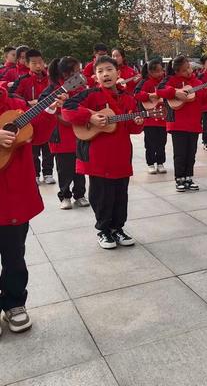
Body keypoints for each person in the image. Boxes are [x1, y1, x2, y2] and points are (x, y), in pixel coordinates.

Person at [62, 56, 144, 249]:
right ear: (95, 76)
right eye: (100, 71)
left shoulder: (128, 98)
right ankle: (103, 230)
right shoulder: (90, 94)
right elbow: (67, 109)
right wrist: (90, 116)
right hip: (97, 156)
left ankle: (117, 228)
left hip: (122, 155)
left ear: (119, 73)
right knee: (101, 195)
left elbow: (132, 128)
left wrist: (138, 122)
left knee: (120, 195)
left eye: (109, 69)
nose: (105, 74)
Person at [0, 84, 61, 334]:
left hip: (13, 197)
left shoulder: (16, 103)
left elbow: (39, 135)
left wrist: (48, 112)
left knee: (14, 256)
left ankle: (15, 304)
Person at [155, 55, 207, 192]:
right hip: (178, 123)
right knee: (180, 153)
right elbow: (160, 90)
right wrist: (175, 92)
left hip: (194, 122)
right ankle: (179, 178)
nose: (189, 71)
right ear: (176, 71)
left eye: (189, 68)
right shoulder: (170, 80)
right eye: (184, 70)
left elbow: (203, 100)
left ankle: (189, 176)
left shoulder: (197, 82)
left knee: (191, 153)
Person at [41, 57, 90, 210]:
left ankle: (80, 195)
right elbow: (43, 107)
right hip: (61, 136)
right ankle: (65, 196)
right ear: (67, 74)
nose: (80, 73)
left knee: (80, 168)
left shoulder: (81, 87)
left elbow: (88, 103)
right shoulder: (52, 88)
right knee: (64, 169)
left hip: (79, 132)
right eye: (76, 71)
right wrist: (56, 106)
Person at [9, 49, 55, 185]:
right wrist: (28, 103)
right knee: (32, 149)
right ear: (27, 64)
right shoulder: (23, 80)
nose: (38, 66)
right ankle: (35, 174)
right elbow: (13, 96)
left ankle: (48, 173)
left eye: (40, 62)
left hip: (47, 117)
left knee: (48, 148)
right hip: (29, 119)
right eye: (34, 63)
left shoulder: (50, 80)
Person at [134, 58, 168, 174]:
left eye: (161, 70)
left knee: (162, 142)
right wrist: (149, 96)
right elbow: (137, 94)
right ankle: (150, 163)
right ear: (150, 72)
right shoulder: (145, 82)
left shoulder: (164, 82)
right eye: (158, 71)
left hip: (162, 118)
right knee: (150, 143)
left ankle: (160, 162)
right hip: (149, 119)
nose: (161, 73)